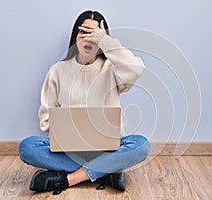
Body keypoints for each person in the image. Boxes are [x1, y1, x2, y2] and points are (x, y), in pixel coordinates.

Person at [18, 10, 150, 195]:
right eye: (84, 32)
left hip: (107, 149)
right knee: (27, 147)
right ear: (75, 37)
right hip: (68, 151)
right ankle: (104, 172)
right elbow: (46, 118)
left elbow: (137, 68)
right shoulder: (57, 70)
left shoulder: (113, 69)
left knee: (141, 145)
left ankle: (68, 178)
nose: (88, 39)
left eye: (94, 35)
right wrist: (68, 128)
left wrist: (105, 41)